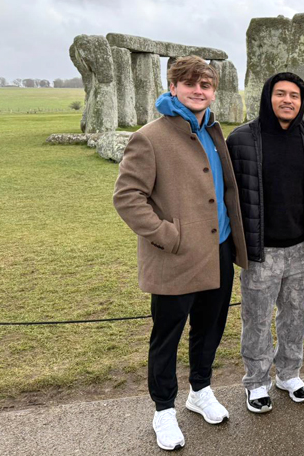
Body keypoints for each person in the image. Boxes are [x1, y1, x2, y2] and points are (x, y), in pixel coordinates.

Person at [113, 56, 248, 451]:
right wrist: (166, 235)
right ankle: (163, 410)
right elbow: (127, 197)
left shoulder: (215, 131)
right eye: (189, 83)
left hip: (219, 249)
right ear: (173, 87)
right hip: (176, 255)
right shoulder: (149, 136)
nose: (198, 90)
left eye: (206, 85)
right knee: (167, 335)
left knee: (210, 328)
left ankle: (200, 390)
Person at [226, 72, 304, 414]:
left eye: (294, 95)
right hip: (260, 249)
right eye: (281, 94)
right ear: (268, 96)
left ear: (301, 101)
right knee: (257, 319)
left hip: (300, 248)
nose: (288, 101)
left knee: (295, 317)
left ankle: (289, 374)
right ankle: (256, 381)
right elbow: (228, 194)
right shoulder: (242, 139)